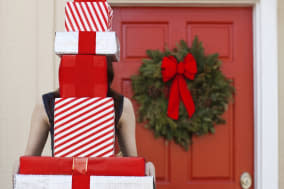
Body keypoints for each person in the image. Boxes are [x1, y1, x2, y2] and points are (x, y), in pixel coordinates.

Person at [22, 56, 156, 180]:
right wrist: (20, 164)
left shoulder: (121, 105)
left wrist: (146, 167)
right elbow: (29, 162)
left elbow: (131, 163)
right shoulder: (46, 104)